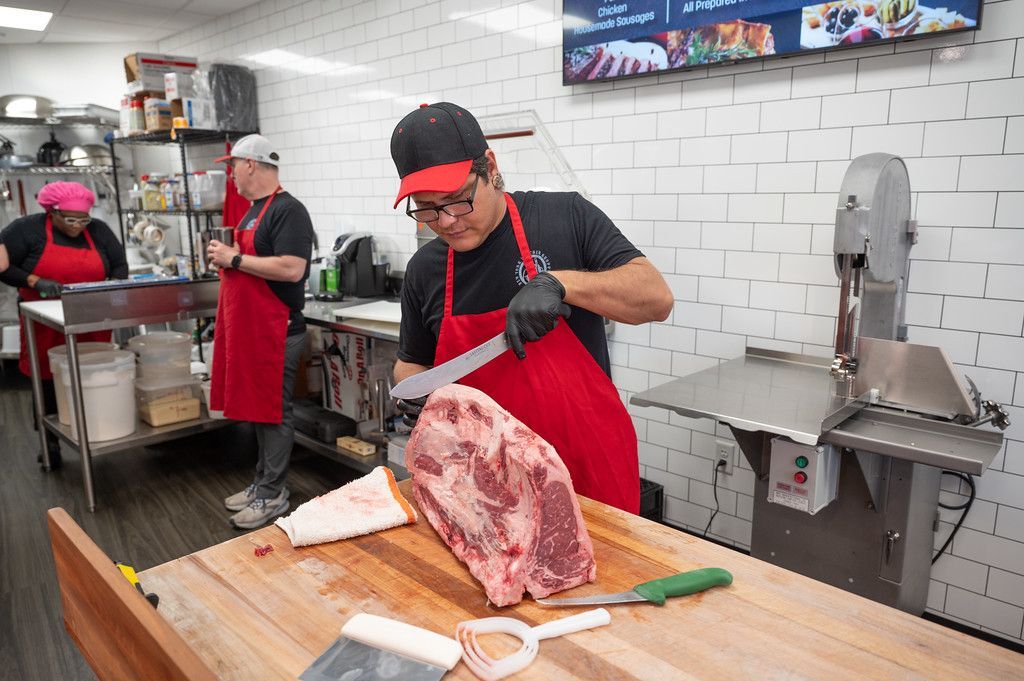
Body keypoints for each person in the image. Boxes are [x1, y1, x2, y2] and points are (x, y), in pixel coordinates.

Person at [390, 103, 674, 514]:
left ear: (490, 166)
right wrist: (416, 396)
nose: (448, 220)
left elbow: (656, 298)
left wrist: (561, 283)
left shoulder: (565, 217)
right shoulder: (424, 270)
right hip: (482, 483)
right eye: (427, 208)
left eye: (457, 199)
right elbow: (411, 362)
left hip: (582, 473)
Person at [207, 134, 315, 529]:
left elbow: (292, 268)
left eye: (232, 166)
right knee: (259, 411)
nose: (231, 175)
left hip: (278, 330)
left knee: (273, 414)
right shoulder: (253, 211)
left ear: (250, 164)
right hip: (255, 330)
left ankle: (273, 494)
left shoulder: (288, 210)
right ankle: (261, 484)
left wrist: (234, 257)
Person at [0, 181, 127, 468]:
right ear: (52, 212)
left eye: (84, 218)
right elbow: (3, 267)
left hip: (89, 316)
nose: (78, 226)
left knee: (93, 377)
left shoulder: (99, 231)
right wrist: (35, 281)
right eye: (71, 219)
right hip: (42, 319)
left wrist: (112, 289)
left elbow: (119, 264)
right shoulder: (25, 230)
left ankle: (98, 432)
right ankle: (50, 444)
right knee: (47, 380)